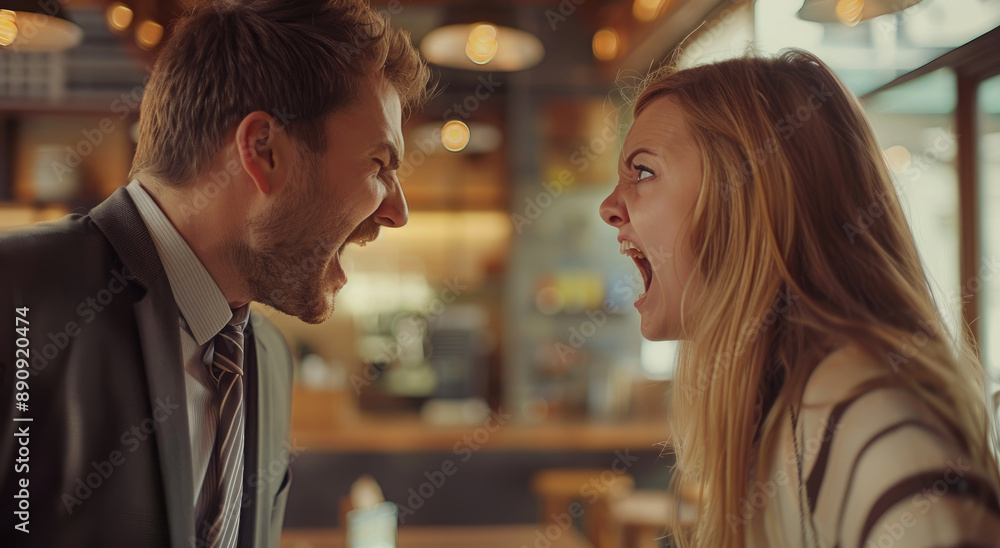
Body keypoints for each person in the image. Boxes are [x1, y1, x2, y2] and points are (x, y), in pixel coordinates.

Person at [0, 1, 430, 546]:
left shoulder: (268, 360)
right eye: (379, 165)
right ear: (262, 150)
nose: (398, 211)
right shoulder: (14, 297)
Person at [600, 50, 1000, 548]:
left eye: (642, 172)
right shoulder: (786, 410)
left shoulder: (872, 421)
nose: (609, 207)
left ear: (746, 196)